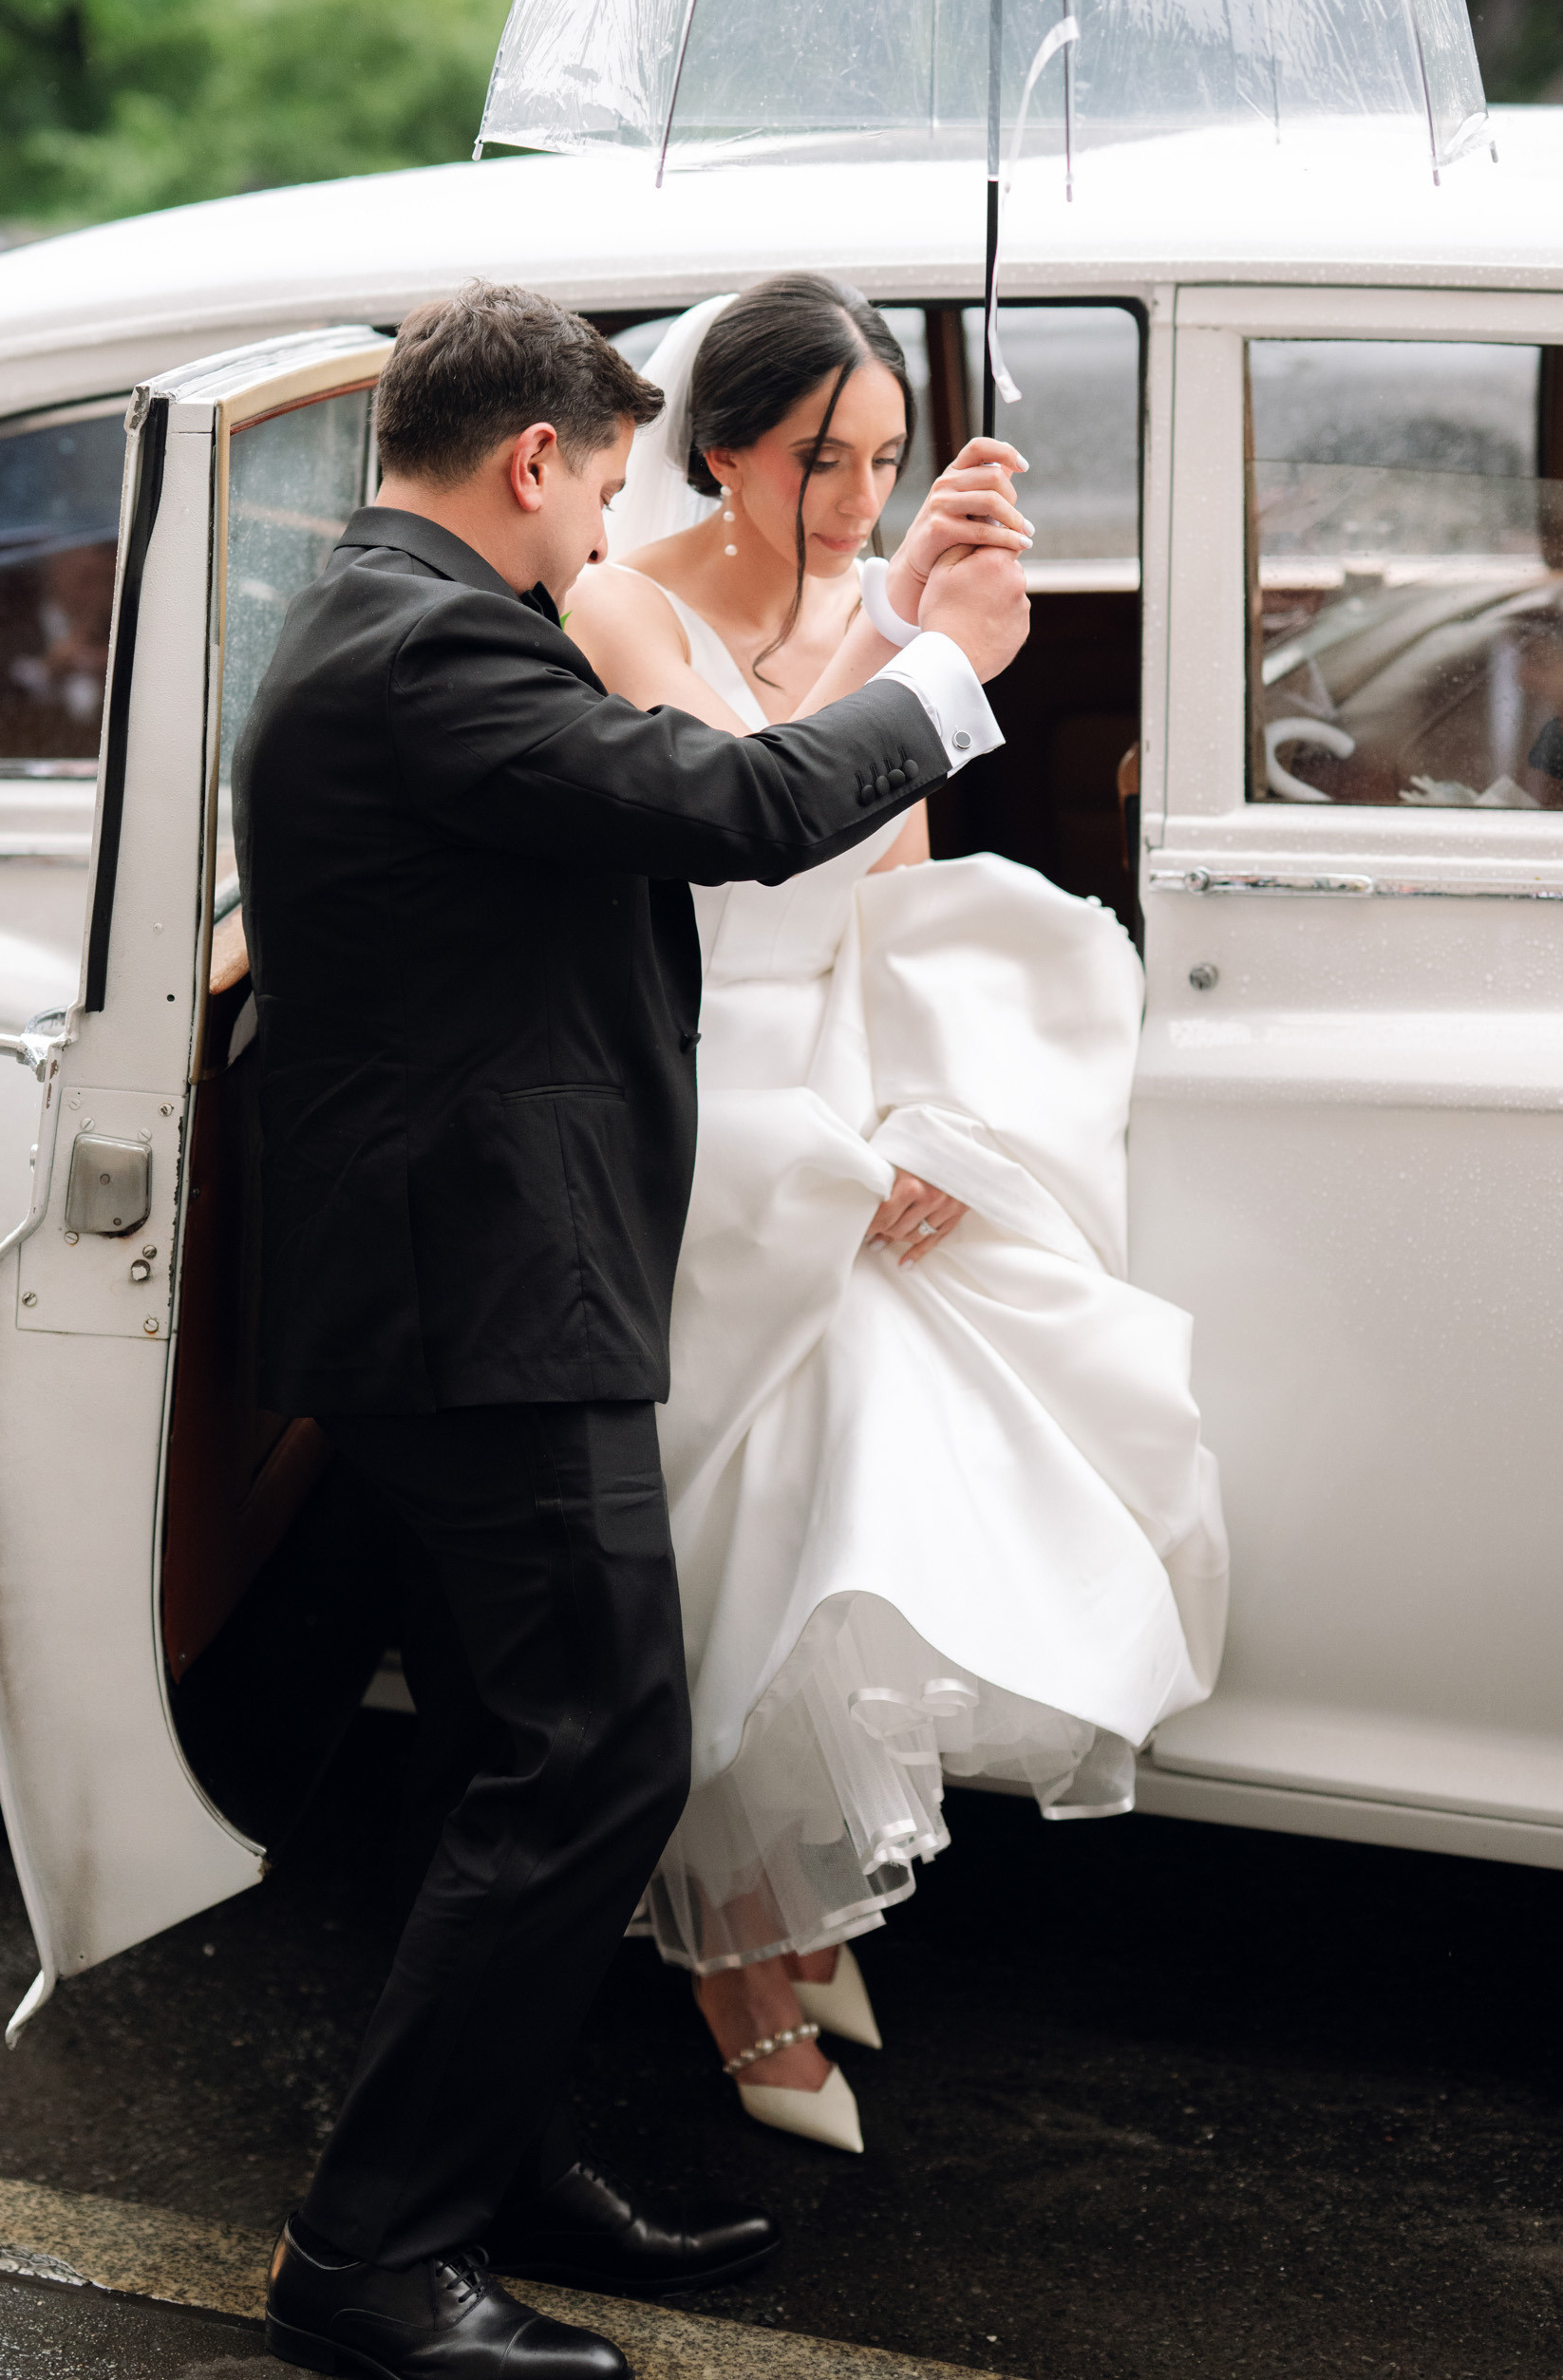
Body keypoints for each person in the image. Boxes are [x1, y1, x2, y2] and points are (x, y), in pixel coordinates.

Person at [234, 280, 1028, 2380]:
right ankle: (372, 2256)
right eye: (598, 468)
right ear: (530, 462)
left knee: (515, 1747)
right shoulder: (435, 650)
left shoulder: (390, 627)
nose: (609, 505)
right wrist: (946, 674)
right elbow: (732, 812)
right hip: (482, 1296)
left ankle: (478, 2165)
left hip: (465, 1276)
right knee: (600, 1745)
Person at [563, 277, 1229, 2155]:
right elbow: (752, 815)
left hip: (826, 1088)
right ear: (719, 451)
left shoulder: (871, 614)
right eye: (815, 462)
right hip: (686, 1100)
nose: (855, 502)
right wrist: (932, 667)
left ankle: (791, 1901)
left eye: (878, 462)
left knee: (853, 1485)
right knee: (727, 1534)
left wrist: (914, 1121)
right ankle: (724, 1956)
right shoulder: (624, 600)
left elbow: (891, 915)